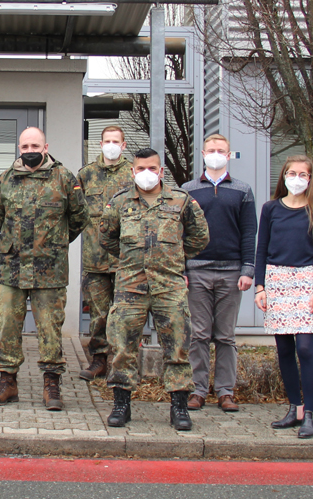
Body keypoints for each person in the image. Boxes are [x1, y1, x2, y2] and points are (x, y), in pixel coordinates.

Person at [100, 148, 209, 430]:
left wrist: (175, 259)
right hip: (130, 286)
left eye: (152, 168)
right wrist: (130, 260)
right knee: (123, 347)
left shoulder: (181, 201)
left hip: (169, 286)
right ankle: (121, 404)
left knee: (177, 348)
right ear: (132, 171)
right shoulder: (120, 202)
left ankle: (180, 407)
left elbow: (200, 236)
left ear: (161, 171)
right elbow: (107, 239)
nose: (145, 173)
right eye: (140, 169)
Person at [0, 127, 86, 410]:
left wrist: (53, 244)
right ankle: (8, 381)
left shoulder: (64, 178)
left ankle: (51, 385)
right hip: (11, 268)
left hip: (49, 270)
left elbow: (79, 217)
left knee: (50, 329)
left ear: (46, 147)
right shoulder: (5, 180)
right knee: (6, 323)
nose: (30, 150)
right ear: (19, 148)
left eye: (35, 145)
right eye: (25, 145)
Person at [253, 155, 313, 440]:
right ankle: (294, 408)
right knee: (284, 350)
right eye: (291, 172)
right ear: (283, 176)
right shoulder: (271, 208)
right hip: (276, 280)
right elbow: (261, 250)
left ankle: (310, 414)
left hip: (305, 280)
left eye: (303, 174)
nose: (296, 178)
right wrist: (260, 286)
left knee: (305, 348)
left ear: (311, 179)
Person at [180, 133, 256, 412]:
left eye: (220, 150)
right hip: (197, 271)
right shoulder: (187, 190)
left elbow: (249, 233)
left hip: (231, 273)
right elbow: (179, 232)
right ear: (202, 153)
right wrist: (181, 268)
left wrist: (248, 269)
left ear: (228, 154)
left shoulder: (243, 190)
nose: (215, 153)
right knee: (198, 334)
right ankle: (197, 390)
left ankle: (225, 391)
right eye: (211, 149)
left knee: (225, 335)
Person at [75, 125, 134, 382]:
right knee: (99, 315)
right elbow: (75, 212)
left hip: (127, 260)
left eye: (116, 141)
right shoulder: (86, 175)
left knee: (125, 314)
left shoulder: (134, 174)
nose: (111, 145)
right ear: (100, 143)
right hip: (96, 259)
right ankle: (98, 361)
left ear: (123, 145)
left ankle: (123, 366)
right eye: (107, 140)